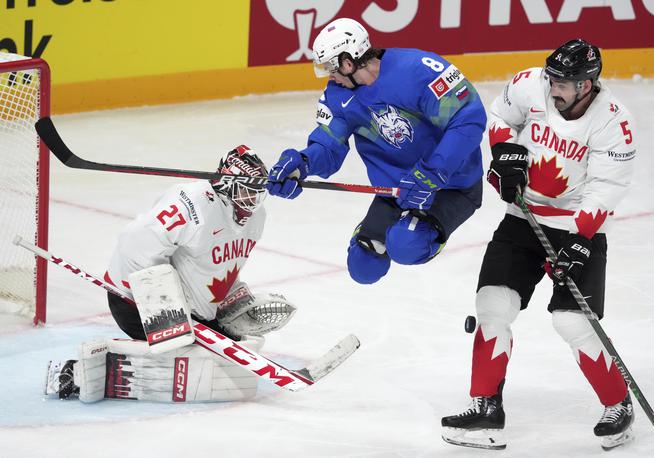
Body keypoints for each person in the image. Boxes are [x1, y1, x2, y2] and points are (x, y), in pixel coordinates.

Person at [440, 39, 637, 451]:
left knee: (572, 322)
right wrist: (505, 154)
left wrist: (581, 241)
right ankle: (485, 408)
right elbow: (500, 117)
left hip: (578, 225)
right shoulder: (530, 84)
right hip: (522, 219)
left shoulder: (613, 124)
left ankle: (618, 404)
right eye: (552, 77)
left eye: (564, 82)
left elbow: (605, 188)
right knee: (493, 305)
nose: (553, 87)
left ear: (586, 85)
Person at [46, 146, 297, 403]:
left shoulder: (257, 218)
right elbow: (134, 244)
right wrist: (165, 310)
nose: (253, 199)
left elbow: (217, 267)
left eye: (258, 192)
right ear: (228, 183)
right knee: (184, 362)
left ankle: (173, 347)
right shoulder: (192, 203)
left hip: (192, 313)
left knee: (223, 358)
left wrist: (233, 298)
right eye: (247, 190)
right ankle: (74, 371)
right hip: (134, 301)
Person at [267, 18, 486, 284]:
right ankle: (390, 225)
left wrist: (433, 172)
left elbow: (468, 117)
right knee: (364, 266)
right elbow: (328, 145)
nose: (330, 76)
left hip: (452, 185)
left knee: (405, 244)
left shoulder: (418, 70)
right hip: (396, 191)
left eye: (331, 68)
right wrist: (303, 163)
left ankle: (427, 232)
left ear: (348, 62)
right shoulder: (337, 95)